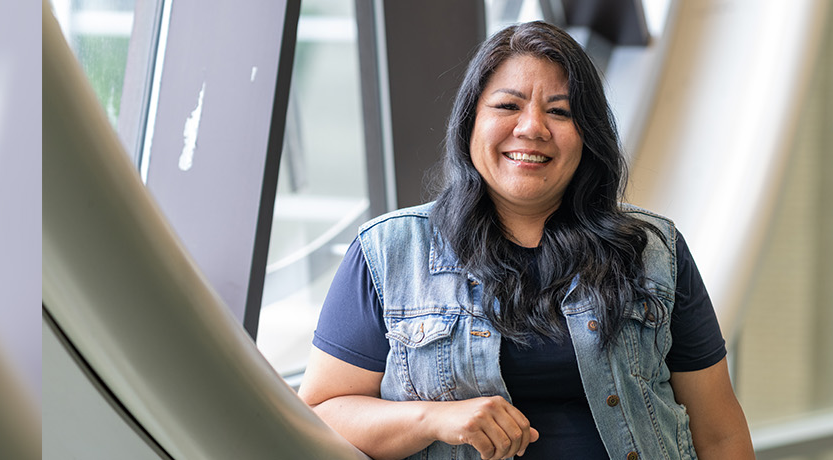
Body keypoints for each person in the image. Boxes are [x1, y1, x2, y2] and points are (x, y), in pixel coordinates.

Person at [297, 21, 754, 460]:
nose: (532, 128)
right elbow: (320, 415)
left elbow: (719, 432)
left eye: (559, 111)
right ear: (470, 122)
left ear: (587, 136)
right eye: (507, 106)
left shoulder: (654, 250)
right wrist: (434, 419)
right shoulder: (389, 251)